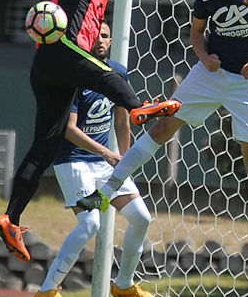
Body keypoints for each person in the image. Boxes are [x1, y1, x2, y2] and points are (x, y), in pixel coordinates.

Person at [76, 0, 248, 280]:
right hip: (210, 75)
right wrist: (203, 55)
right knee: (161, 129)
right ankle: (107, 192)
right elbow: (196, 32)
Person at [0, 0, 200, 262]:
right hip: (62, 52)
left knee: (44, 147)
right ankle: (138, 109)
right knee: (110, 74)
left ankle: (10, 218)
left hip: (50, 67)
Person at [34, 23, 154, 297]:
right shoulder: (75, 76)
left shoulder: (118, 72)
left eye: (104, 35)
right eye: (94, 35)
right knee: (90, 224)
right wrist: (106, 153)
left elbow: (123, 123)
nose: (99, 40)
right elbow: (69, 129)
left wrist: (125, 162)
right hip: (73, 160)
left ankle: (123, 286)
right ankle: (48, 290)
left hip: (105, 162)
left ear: (111, 40)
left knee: (141, 217)